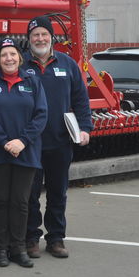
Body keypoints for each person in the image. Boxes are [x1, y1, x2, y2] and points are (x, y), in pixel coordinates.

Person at [23, 16, 92, 259]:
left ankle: (56, 238)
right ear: (28, 39)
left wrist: (85, 127)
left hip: (60, 141)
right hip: (30, 142)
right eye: (35, 35)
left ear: (52, 37)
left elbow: (81, 100)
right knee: (30, 193)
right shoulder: (21, 65)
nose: (40, 39)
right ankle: (31, 237)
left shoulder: (68, 64)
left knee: (57, 191)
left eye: (44, 34)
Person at [0, 38, 47, 268]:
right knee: (0, 201)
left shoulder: (32, 81)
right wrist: (5, 141)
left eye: (13, 54)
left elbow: (41, 115)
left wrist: (22, 141)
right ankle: (1, 249)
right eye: (4, 55)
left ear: (20, 57)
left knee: (20, 201)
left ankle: (18, 248)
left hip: (26, 152)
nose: (9, 58)